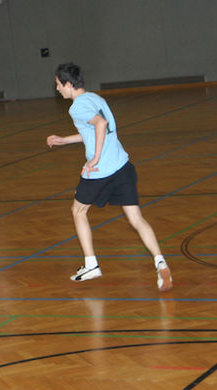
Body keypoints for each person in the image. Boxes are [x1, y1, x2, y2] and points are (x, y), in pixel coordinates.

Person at [46, 62, 172, 292]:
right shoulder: (96, 99)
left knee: (78, 211)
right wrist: (64, 140)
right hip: (123, 166)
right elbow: (96, 129)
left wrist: (94, 159)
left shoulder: (76, 107)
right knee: (136, 219)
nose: (57, 89)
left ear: (67, 83)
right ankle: (160, 262)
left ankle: (91, 265)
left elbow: (100, 124)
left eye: (58, 85)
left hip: (100, 172)